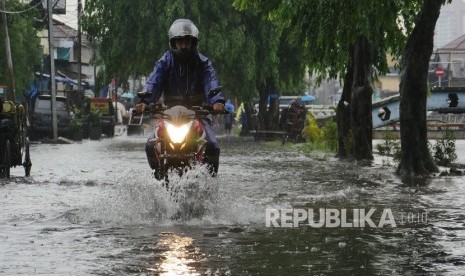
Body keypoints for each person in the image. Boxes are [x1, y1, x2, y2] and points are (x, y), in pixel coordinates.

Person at [136, 18, 225, 177]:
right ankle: (158, 177)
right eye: (180, 42)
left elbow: (211, 82)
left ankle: (210, 185)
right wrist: (144, 102)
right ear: (173, 43)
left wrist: (217, 101)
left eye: (187, 42)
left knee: (212, 145)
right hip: (170, 115)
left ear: (193, 43)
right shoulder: (165, 62)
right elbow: (153, 82)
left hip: (198, 114)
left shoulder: (203, 63)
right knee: (150, 145)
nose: (183, 46)